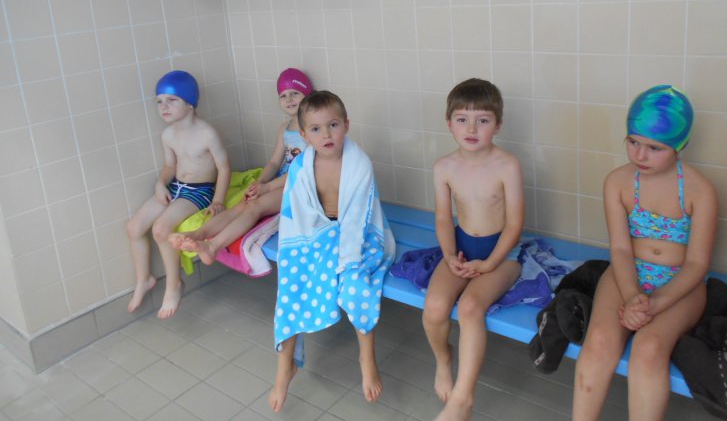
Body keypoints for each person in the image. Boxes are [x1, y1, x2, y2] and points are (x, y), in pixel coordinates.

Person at [572, 85, 718, 421]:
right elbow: (620, 248)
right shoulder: (617, 182)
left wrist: (656, 303)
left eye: (655, 148)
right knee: (599, 340)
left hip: (681, 283)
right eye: (633, 142)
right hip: (628, 273)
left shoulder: (700, 190)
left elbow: (697, 264)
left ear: (680, 145)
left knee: (649, 350)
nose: (640, 155)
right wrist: (631, 295)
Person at [268, 91, 396, 412]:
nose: (326, 134)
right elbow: (297, 215)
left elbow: (358, 219)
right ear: (303, 135)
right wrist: (308, 250)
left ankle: (367, 357)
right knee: (292, 284)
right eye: (316, 128)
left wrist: (345, 261)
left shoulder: (358, 164)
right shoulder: (300, 166)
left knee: (356, 286)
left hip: (360, 234)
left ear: (346, 126)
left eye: (333, 125)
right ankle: (285, 366)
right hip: (317, 233)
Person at [423, 78, 524, 421]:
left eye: (482, 120)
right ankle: (444, 360)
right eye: (462, 119)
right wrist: (450, 255)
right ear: (449, 123)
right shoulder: (444, 167)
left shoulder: (507, 165)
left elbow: (514, 225)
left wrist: (490, 263)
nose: (471, 128)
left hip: (503, 255)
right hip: (463, 248)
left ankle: (463, 399)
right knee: (435, 306)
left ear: (498, 125)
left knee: (469, 308)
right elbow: (443, 218)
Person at [169, 68, 313, 264]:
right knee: (241, 205)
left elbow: (303, 170)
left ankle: (213, 246)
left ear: (308, 94)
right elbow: (274, 162)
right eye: (283, 95)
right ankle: (198, 234)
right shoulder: (284, 129)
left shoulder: (313, 129)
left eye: (295, 93)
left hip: (299, 185)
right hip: (280, 181)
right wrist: (259, 182)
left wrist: (267, 188)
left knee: (255, 206)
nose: (289, 99)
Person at [126, 70, 231, 319]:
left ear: (190, 102)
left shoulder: (207, 133)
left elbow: (224, 167)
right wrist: (160, 184)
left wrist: (218, 200)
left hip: (200, 191)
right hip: (176, 186)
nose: (163, 107)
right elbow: (170, 166)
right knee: (134, 228)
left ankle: (174, 285)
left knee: (161, 228)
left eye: (171, 100)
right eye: (159, 101)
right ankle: (144, 279)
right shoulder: (168, 134)